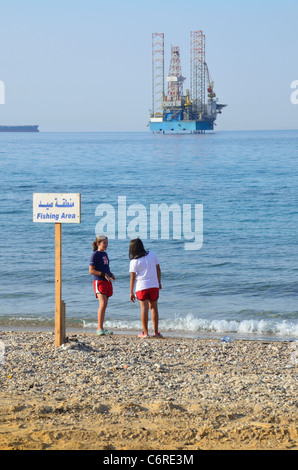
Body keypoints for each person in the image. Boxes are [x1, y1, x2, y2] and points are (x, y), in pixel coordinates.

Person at [129, 238, 163, 338]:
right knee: (154, 308)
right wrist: (159, 282)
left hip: (141, 287)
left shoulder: (134, 261)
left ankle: (145, 333)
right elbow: (158, 269)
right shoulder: (152, 254)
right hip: (153, 285)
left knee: (144, 308)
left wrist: (131, 292)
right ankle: (156, 333)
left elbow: (132, 278)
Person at [89, 234, 115, 336]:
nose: (106, 245)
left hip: (106, 282)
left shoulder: (105, 254)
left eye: (107, 243)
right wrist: (103, 274)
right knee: (102, 303)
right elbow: (91, 270)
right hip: (98, 281)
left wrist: (110, 274)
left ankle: (102, 328)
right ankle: (99, 328)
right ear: (98, 243)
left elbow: (105, 267)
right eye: (104, 243)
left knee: (105, 305)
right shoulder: (95, 254)